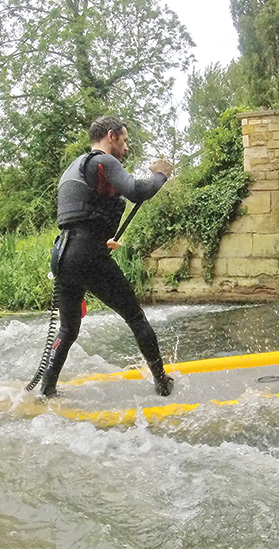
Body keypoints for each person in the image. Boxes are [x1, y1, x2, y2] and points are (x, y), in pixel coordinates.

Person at [38, 116, 175, 398]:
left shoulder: (72, 169)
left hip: (62, 255)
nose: (125, 149)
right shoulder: (104, 161)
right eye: (124, 141)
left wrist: (102, 239)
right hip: (86, 255)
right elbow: (137, 191)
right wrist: (160, 174)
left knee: (67, 327)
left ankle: (47, 389)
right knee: (136, 318)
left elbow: (80, 215)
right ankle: (163, 384)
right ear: (111, 136)